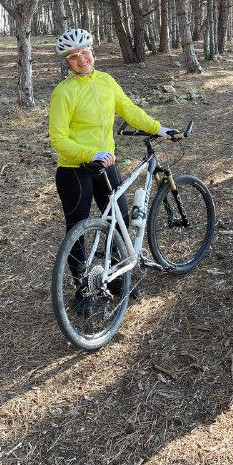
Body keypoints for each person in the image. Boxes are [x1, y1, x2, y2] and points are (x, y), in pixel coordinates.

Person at [49, 28, 174, 316]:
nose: (81, 59)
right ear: (67, 62)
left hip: (105, 167)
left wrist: (158, 128)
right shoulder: (64, 92)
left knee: (120, 221)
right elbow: (58, 138)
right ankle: (82, 289)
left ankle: (116, 277)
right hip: (74, 170)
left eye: (85, 52)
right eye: (73, 56)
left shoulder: (106, 81)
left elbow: (129, 110)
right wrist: (89, 154)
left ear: (93, 51)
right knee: (77, 230)